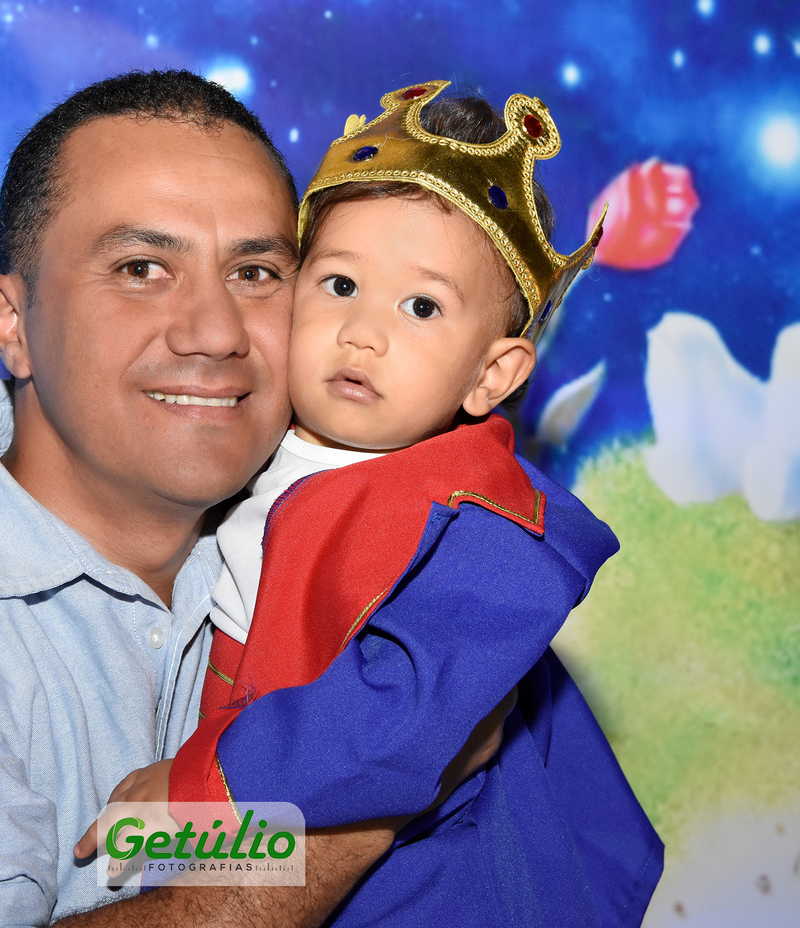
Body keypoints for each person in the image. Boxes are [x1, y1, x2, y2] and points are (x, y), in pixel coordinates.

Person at [0, 70, 503, 927]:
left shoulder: (390, 549)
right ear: (13, 324)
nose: (215, 332)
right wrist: (383, 786)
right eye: (141, 268)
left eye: (256, 272)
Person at [87, 82, 664, 926]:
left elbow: (397, 723)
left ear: (491, 375)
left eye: (421, 306)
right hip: (273, 830)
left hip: (435, 887)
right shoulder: (240, 439)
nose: (363, 331)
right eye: (339, 283)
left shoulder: (480, 524)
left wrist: (195, 787)